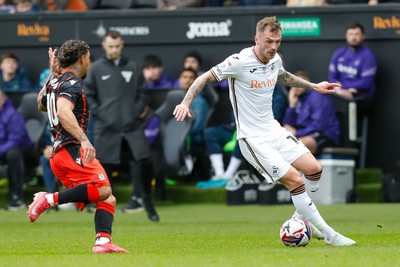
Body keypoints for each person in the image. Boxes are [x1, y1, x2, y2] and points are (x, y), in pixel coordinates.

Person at [174, 16, 356, 246]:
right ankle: (330, 234)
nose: (273, 47)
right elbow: (203, 78)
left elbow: (283, 76)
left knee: (314, 170)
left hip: (273, 130)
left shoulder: (275, 59)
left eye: (277, 42)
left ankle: (301, 221)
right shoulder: (238, 61)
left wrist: (313, 86)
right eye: (269, 41)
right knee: (294, 180)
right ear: (257, 39)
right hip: (252, 138)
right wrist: (185, 102)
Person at [28, 41, 128, 253]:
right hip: (71, 149)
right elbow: (64, 112)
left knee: (107, 197)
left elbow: (40, 104)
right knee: (104, 189)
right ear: (82, 59)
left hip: (58, 154)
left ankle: (102, 241)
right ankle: (48, 198)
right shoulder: (72, 83)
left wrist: (51, 77)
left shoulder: (55, 81)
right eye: (89, 59)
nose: (89, 64)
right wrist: (84, 139)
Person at [84, 30, 159, 222]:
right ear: (103, 46)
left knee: (144, 162)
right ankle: (104, 209)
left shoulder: (133, 67)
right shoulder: (96, 69)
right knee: (104, 169)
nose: (114, 50)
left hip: (132, 126)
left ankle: (147, 203)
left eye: (117, 46)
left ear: (122, 45)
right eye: (110, 46)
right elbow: (88, 96)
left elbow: (143, 93)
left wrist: (135, 111)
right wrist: (101, 114)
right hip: (106, 128)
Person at [283, 70, 340, 155]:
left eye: (300, 83)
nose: (296, 86)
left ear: (307, 83)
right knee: (283, 144)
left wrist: (297, 133)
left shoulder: (317, 96)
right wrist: (292, 106)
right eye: (294, 83)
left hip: (325, 135)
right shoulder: (297, 98)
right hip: (305, 134)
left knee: (298, 144)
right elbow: (288, 126)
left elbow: (319, 125)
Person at [328, 22, 377, 119]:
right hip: (340, 91)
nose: (353, 37)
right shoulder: (339, 53)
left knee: (349, 98)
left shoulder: (368, 56)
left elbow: (366, 83)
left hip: (362, 96)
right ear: (346, 36)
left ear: (363, 36)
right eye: (350, 34)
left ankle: (352, 134)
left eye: (356, 34)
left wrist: (344, 88)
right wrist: (340, 89)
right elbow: (331, 76)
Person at [0, 90, 33, 210]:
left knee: (13, 154)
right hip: (3, 152)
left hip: (23, 152)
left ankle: (16, 197)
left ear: (1, 100)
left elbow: (16, 140)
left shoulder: (12, 115)